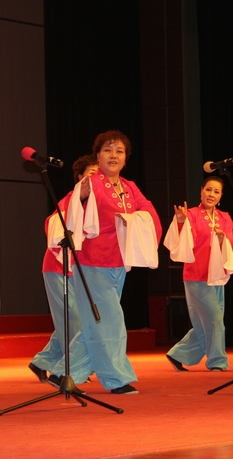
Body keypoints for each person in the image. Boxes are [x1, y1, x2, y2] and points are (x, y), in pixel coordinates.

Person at [49, 130, 162, 394]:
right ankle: (115, 378)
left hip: (119, 262)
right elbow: (67, 211)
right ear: (98, 156)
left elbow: (149, 212)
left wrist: (134, 219)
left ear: (126, 159)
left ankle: (62, 373)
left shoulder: (130, 187)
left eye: (119, 151)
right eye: (107, 150)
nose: (113, 155)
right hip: (92, 262)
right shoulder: (90, 182)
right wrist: (81, 196)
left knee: (96, 322)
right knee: (110, 320)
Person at [28, 155, 99, 383]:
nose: (96, 179)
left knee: (71, 320)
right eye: (92, 174)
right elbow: (53, 228)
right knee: (73, 320)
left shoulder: (95, 205)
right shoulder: (71, 200)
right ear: (80, 178)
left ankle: (42, 361)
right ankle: (70, 369)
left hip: (77, 270)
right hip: (58, 267)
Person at [163, 176, 233, 372]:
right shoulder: (191, 215)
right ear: (201, 191)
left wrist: (222, 240)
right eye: (208, 190)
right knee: (214, 320)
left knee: (209, 321)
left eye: (216, 192)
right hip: (196, 276)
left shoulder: (225, 218)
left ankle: (179, 354)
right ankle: (217, 361)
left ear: (220, 196)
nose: (211, 194)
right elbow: (184, 243)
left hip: (218, 276)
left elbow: (231, 245)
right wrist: (181, 222)